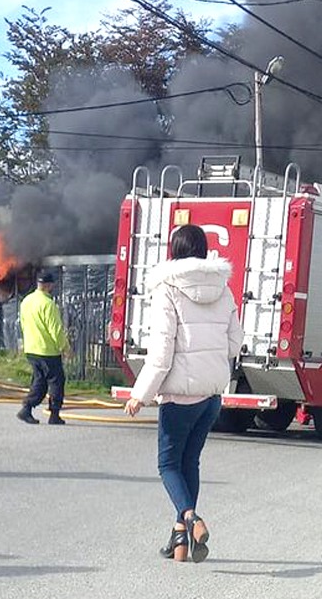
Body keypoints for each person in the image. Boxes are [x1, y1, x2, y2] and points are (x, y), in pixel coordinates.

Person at [124, 224, 243, 564]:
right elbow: (235, 342)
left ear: (173, 250)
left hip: (180, 397)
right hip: (211, 396)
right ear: (204, 251)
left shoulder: (167, 289)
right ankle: (179, 542)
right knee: (190, 461)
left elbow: (161, 353)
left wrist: (140, 395)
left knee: (168, 465)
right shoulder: (225, 289)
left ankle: (191, 518)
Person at [16, 271, 69, 425]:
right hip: (47, 350)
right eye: (52, 284)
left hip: (31, 348)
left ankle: (27, 408)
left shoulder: (26, 301)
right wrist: (64, 347)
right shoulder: (48, 304)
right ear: (48, 285)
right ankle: (54, 414)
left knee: (39, 380)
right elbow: (55, 329)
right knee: (56, 381)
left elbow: (24, 323)